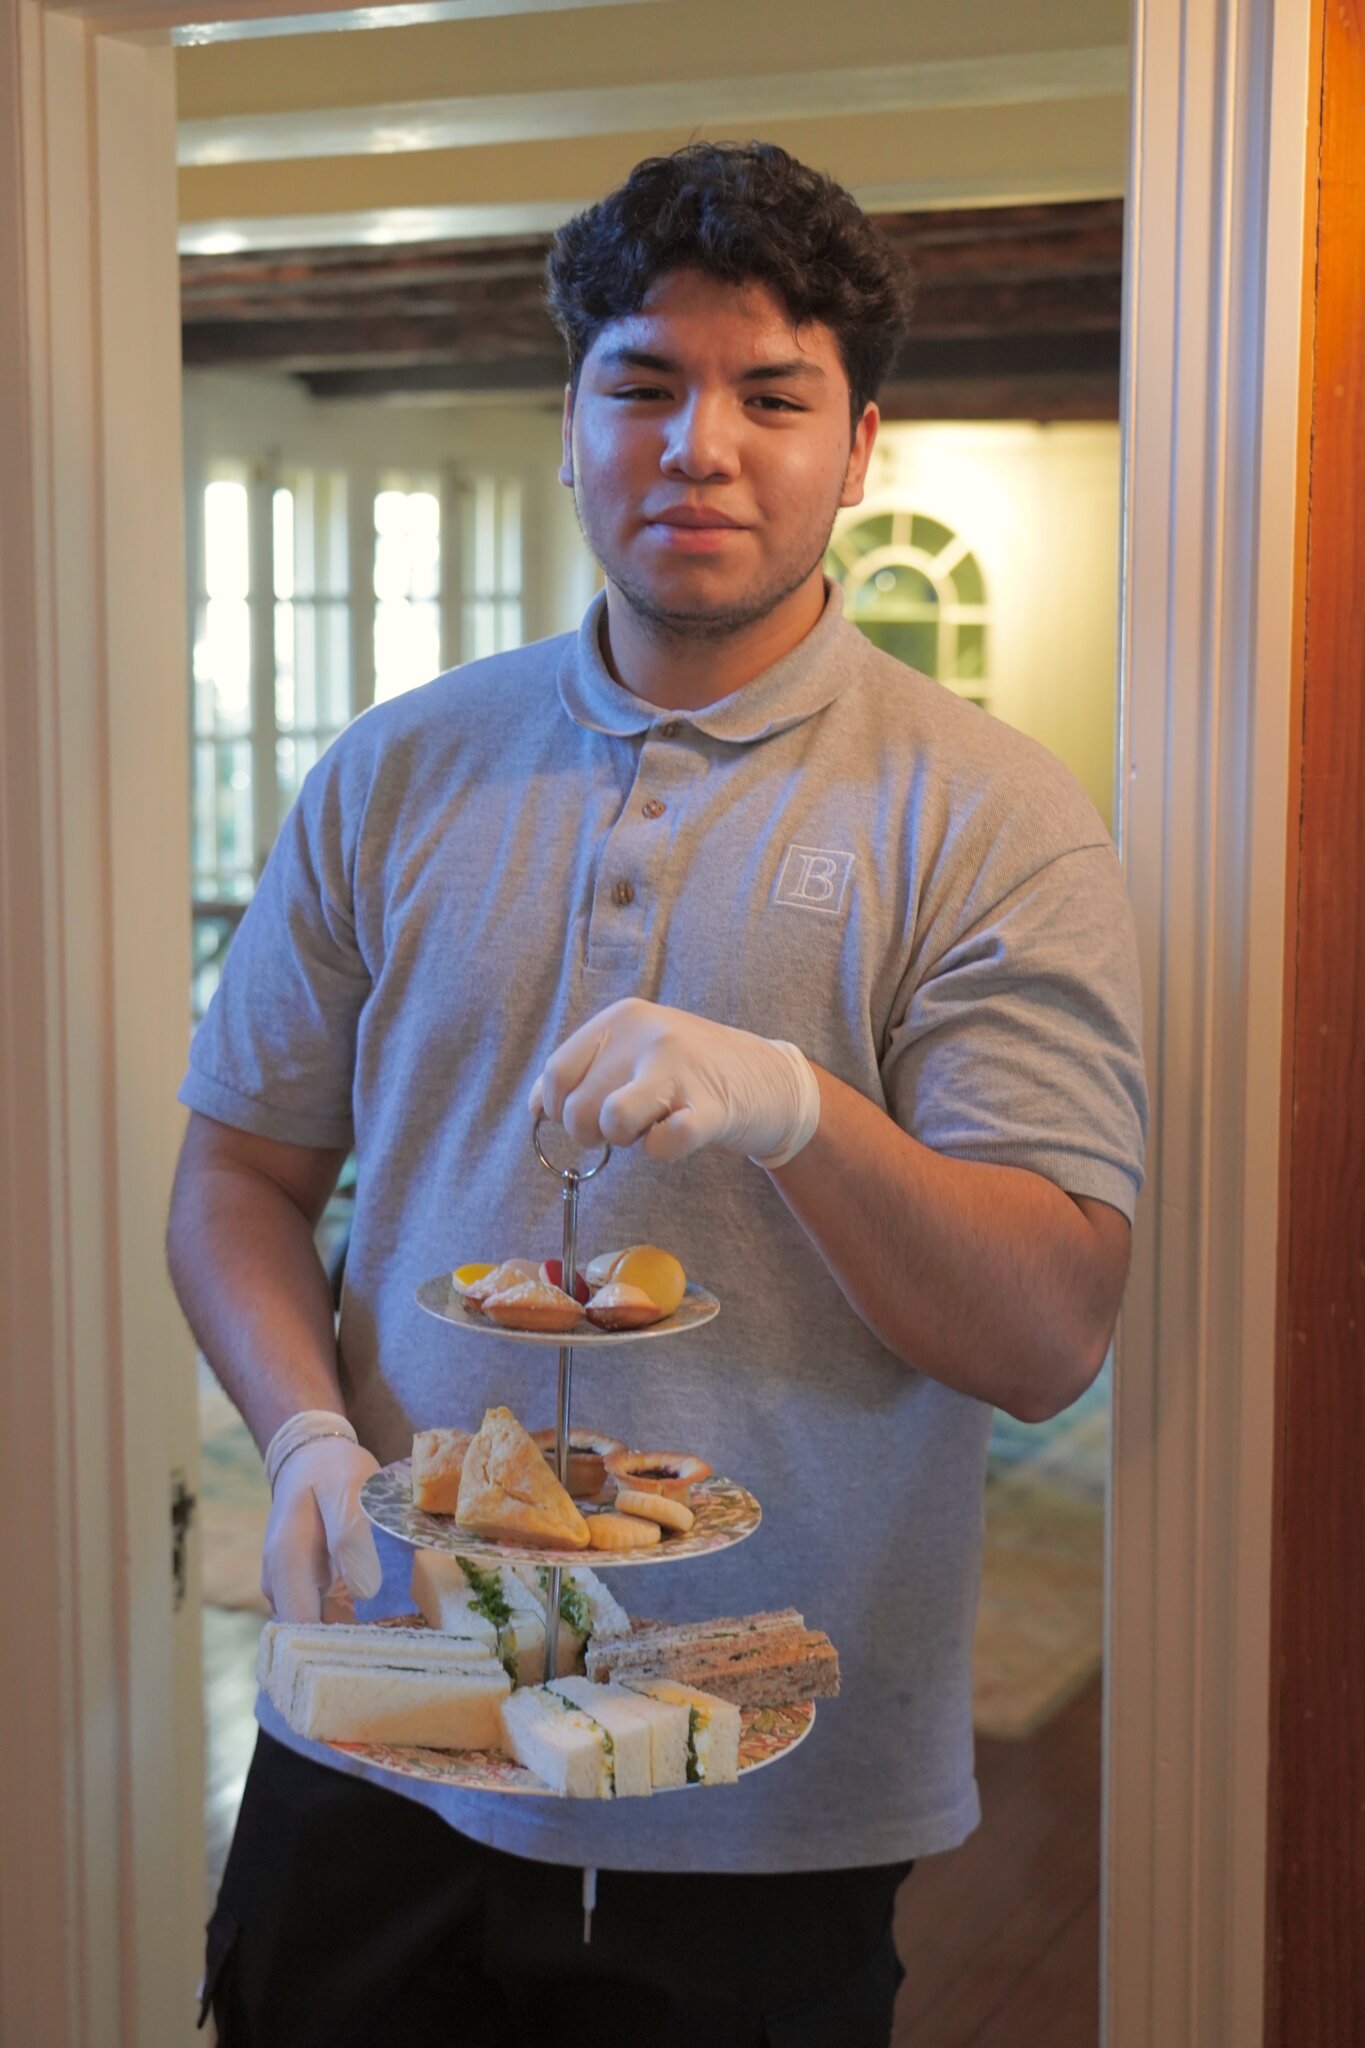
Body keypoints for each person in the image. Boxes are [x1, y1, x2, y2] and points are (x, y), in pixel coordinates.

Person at [169, 141, 1147, 2048]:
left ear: (856, 446)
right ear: (572, 419)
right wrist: (296, 1433)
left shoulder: (988, 816)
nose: (700, 442)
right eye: (644, 382)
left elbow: (1045, 1333)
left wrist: (799, 1109)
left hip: (752, 1766)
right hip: (378, 1716)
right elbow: (238, 1174)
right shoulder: (394, 772)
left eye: (771, 392)